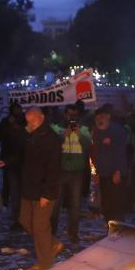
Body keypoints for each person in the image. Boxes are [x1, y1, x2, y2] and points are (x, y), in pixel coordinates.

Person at [19, 107, 62, 270]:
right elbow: (23, 157)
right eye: (27, 120)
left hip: (43, 190)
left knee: (40, 226)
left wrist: (47, 193)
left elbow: (53, 168)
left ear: (42, 117)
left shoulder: (51, 139)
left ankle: (44, 263)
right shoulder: (29, 136)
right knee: (25, 220)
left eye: (33, 120)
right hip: (28, 188)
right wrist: (6, 162)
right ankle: (52, 243)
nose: (29, 124)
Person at [52, 103, 92, 244]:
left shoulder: (84, 129)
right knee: (55, 204)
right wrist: (64, 135)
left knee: (75, 204)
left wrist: (79, 134)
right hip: (60, 170)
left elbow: (89, 146)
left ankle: (73, 233)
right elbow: (52, 146)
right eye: (69, 115)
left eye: (74, 115)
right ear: (65, 114)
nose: (72, 118)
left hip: (77, 171)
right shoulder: (57, 129)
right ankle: (52, 233)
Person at [91, 104, 129, 223]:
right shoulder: (95, 132)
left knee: (116, 202)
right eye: (97, 118)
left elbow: (120, 152)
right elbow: (93, 154)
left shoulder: (117, 131)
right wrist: (94, 172)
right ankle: (110, 227)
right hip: (102, 173)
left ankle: (118, 227)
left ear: (108, 117)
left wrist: (118, 171)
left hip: (114, 173)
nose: (99, 120)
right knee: (106, 203)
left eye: (102, 117)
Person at [0, 102, 27, 228]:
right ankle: (17, 218)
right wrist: (8, 126)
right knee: (14, 190)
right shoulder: (5, 122)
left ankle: (22, 216)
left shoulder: (25, 121)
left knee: (23, 191)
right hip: (10, 162)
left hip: (24, 161)